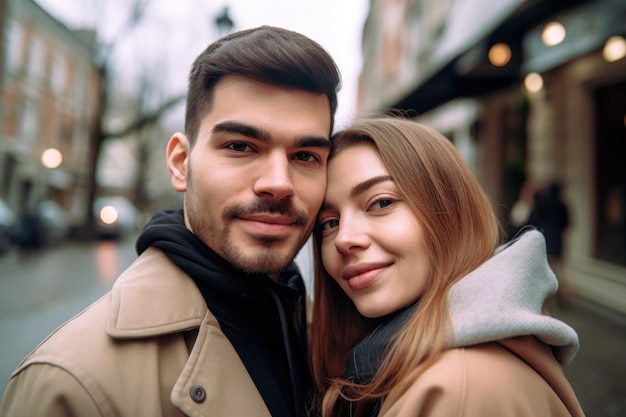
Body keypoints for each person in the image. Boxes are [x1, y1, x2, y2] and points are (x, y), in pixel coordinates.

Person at [0, 26, 340, 417]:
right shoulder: (72, 383)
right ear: (180, 164)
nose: (278, 184)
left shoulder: (336, 338)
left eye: (306, 156)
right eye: (241, 147)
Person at [310, 118, 585, 417]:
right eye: (330, 222)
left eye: (381, 203)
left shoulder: (458, 391)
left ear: (449, 212)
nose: (344, 239)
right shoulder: (404, 357)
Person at [528, 182, 572, 307]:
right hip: (558, 240)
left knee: (548, 268)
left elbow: (534, 220)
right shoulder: (562, 205)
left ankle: (549, 297)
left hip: (546, 239)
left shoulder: (543, 204)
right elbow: (567, 223)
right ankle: (565, 295)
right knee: (560, 268)